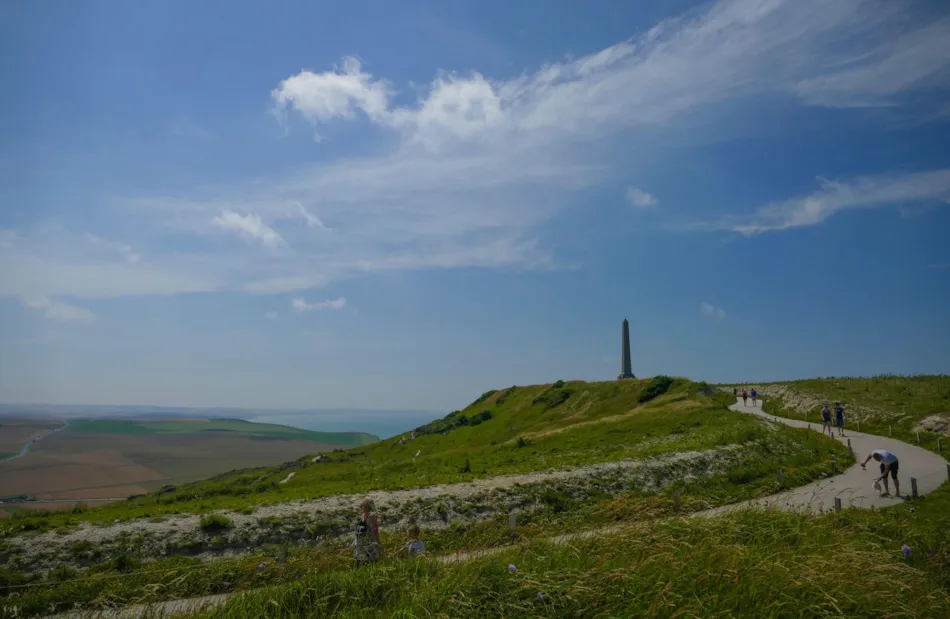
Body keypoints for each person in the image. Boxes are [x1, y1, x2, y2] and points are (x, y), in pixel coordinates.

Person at [353, 499, 381, 566]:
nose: (360, 507)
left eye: (362, 506)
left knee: (370, 560)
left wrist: (376, 542)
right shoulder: (363, 516)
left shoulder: (371, 517)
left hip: (368, 542)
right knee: (360, 560)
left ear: (366, 507)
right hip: (361, 542)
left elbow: (374, 531)